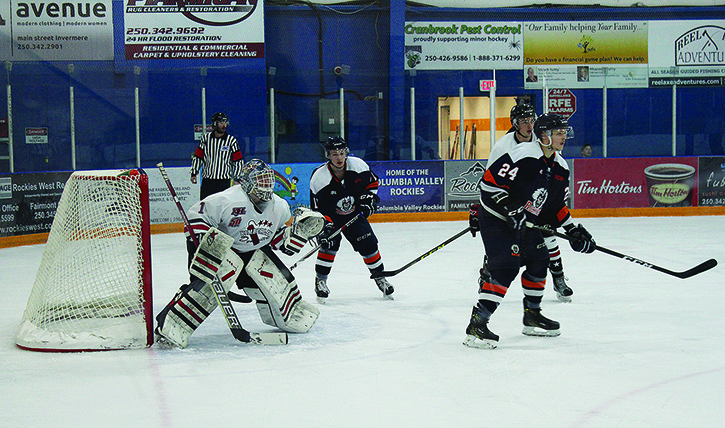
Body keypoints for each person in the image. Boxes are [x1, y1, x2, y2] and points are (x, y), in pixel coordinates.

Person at [155, 159, 324, 348]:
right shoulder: (228, 199)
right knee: (208, 288)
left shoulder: (280, 206)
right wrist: (207, 244)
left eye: (267, 180)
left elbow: (276, 241)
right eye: (260, 180)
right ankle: (173, 323)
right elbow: (196, 216)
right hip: (224, 252)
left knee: (278, 281)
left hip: (254, 252)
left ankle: (291, 315)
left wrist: (297, 234)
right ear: (246, 183)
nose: (266, 185)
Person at [464, 114, 596, 349]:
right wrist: (510, 208)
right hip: (496, 217)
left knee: (539, 258)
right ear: (544, 136)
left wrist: (574, 230)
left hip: (525, 221)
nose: (563, 136)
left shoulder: (561, 168)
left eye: (565, 132)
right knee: (507, 267)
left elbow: (554, 209)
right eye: (558, 132)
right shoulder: (524, 155)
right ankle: (477, 323)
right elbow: (488, 184)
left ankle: (532, 315)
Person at [479, 103, 575, 303]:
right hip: (510, 208)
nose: (529, 125)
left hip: (534, 205)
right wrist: (482, 209)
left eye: (531, 120)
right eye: (524, 121)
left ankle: (558, 279)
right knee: (504, 251)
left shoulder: (547, 143)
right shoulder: (504, 147)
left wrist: (572, 228)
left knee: (546, 241)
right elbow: (490, 182)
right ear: (515, 124)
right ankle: (489, 275)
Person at [310, 136, 394, 302]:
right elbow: (317, 208)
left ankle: (379, 277)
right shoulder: (319, 178)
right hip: (331, 218)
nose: (339, 157)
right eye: (334, 154)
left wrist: (368, 200)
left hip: (355, 215)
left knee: (368, 245)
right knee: (330, 244)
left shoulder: (358, 165)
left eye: (342, 153)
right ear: (328, 155)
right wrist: (324, 226)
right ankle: (320, 281)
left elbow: (372, 183)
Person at [190, 112, 245, 200]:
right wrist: (194, 172)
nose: (224, 125)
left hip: (224, 182)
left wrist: (237, 178)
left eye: (225, 122)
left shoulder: (231, 141)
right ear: (215, 124)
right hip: (208, 181)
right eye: (221, 122)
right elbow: (198, 157)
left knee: (222, 207)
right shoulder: (205, 139)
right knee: (205, 207)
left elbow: (238, 161)